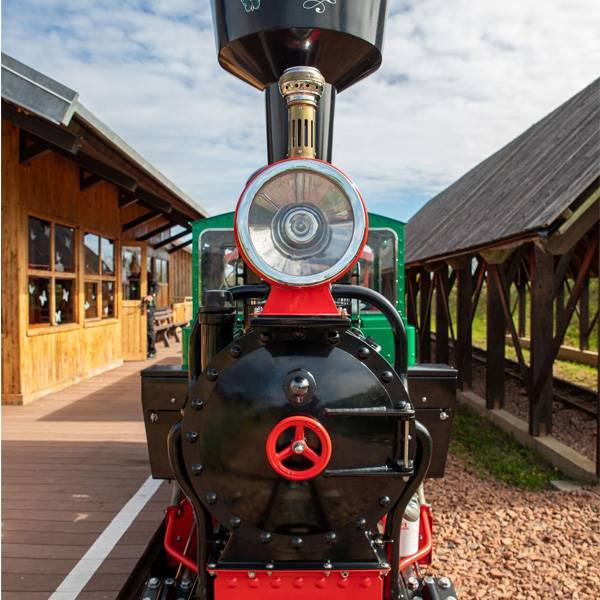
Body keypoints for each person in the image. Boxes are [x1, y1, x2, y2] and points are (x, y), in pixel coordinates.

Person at [145, 278, 159, 358]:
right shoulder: (131, 277)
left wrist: (151, 295)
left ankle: (152, 351)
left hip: (150, 307)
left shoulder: (148, 276)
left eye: (134, 269)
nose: (133, 271)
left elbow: (157, 286)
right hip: (138, 307)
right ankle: (145, 349)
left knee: (149, 328)